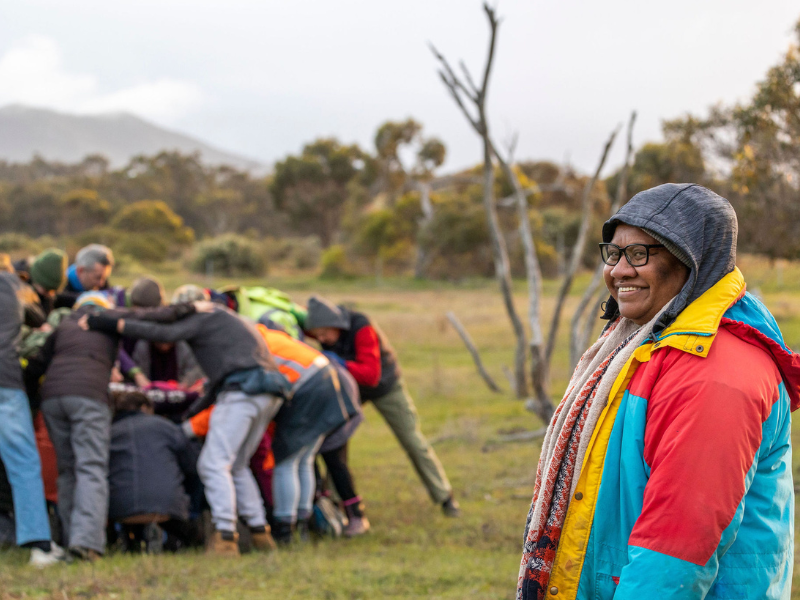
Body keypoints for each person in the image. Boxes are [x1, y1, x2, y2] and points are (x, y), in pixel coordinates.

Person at [517, 183, 800, 600]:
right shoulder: (646, 344)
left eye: (640, 254)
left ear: (693, 262)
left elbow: (674, 556)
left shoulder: (716, 375)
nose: (619, 270)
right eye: (613, 253)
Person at [82, 285, 291, 557]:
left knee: (213, 463)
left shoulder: (205, 318)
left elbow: (162, 332)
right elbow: (216, 382)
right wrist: (191, 412)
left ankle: (225, 536)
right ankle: (260, 532)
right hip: (267, 392)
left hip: (244, 391)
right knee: (237, 464)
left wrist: (112, 323)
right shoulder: (230, 320)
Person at [28, 292, 197, 561]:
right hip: (88, 396)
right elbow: (148, 315)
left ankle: (70, 537)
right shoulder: (106, 318)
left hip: (53, 399)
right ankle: (87, 545)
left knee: (67, 470)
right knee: (91, 467)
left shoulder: (64, 325)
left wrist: (27, 397)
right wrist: (190, 307)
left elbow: (37, 364)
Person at [305, 296, 460, 517]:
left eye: (324, 335)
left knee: (412, 440)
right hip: (350, 389)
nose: (320, 339)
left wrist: (339, 363)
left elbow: (370, 375)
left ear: (336, 325)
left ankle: (445, 496)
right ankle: (337, 502)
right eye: (317, 335)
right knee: (334, 441)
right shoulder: (321, 325)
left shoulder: (362, 327)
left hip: (384, 386)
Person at [0, 267, 62, 566]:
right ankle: (39, 545)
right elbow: (39, 318)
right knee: (23, 463)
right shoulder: (13, 284)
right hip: (6, 381)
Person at [107, 389, 201, 552]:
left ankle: (127, 541)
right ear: (144, 407)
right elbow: (193, 465)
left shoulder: (107, 433)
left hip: (118, 508)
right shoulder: (166, 427)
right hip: (168, 507)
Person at [55, 244, 114, 309]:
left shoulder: (101, 284)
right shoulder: (60, 288)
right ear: (80, 271)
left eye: (104, 278)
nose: (101, 283)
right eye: (97, 277)